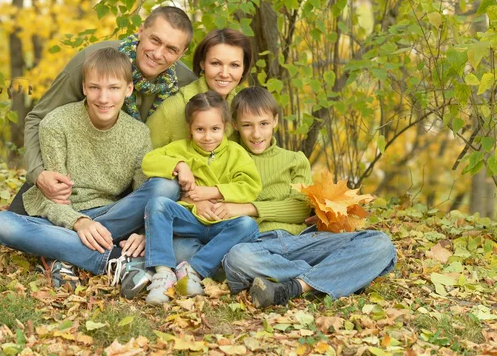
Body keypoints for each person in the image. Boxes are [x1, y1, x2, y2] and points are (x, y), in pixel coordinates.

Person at [175, 87, 397, 307]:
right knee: (238, 257)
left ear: (275, 121)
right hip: (255, 244)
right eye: (247, 125)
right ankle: (335, 274)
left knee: (380, 243)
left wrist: (246, 208)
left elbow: (300, 208)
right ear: (234, 125)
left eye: (263, 124)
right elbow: (188, 188)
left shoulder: (294, 160)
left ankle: (295, 286)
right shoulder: (224, 156)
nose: (256, 134)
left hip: (300, 241)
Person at [0, 48, 179, 288]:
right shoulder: (57, 123)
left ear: (128, 89)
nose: (103, 98)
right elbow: (53, 199)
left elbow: (142, 195)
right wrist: (79, 223)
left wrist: (143, 232)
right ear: (84, 88)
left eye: (113, 88)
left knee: (166, 186)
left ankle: (62, 251)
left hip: (111, 215)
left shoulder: (139, 134)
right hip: (62, 217)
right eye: (95, 88)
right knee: (1, 224)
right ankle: (114, 259)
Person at [9, 6, 197, 215]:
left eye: (171, 49)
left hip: (133, 183)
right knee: (10, 223)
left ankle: (84, 238)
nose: (158, 54)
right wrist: (39, 174)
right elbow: (38, 117)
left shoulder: (185, 85)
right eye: (155, 40)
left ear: (182, 53)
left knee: (162, 194)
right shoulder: (93, 61)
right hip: (72, 183)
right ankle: (88, 237)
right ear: (141, 31)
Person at [122, 91, 262, 304]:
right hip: (189, 220)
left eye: (215, 129)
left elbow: (251, 186)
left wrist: (212, 192)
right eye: (200, 129)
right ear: (190, 129)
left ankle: (193, 270)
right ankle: (163, 272)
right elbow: (149, 161)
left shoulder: (236, 153)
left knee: (248, 225)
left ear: (226, 127)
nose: (207, 137)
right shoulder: (181, 149)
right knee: (158, 204)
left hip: (220, 223)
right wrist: (180, 165)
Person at [146, 28, 253, 148]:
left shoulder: (244, 111)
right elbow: (142, 159)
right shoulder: (172, 110)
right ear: (202, 63)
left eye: (234, 65)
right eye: (216, 63)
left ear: (244, 68)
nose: (224, 73)